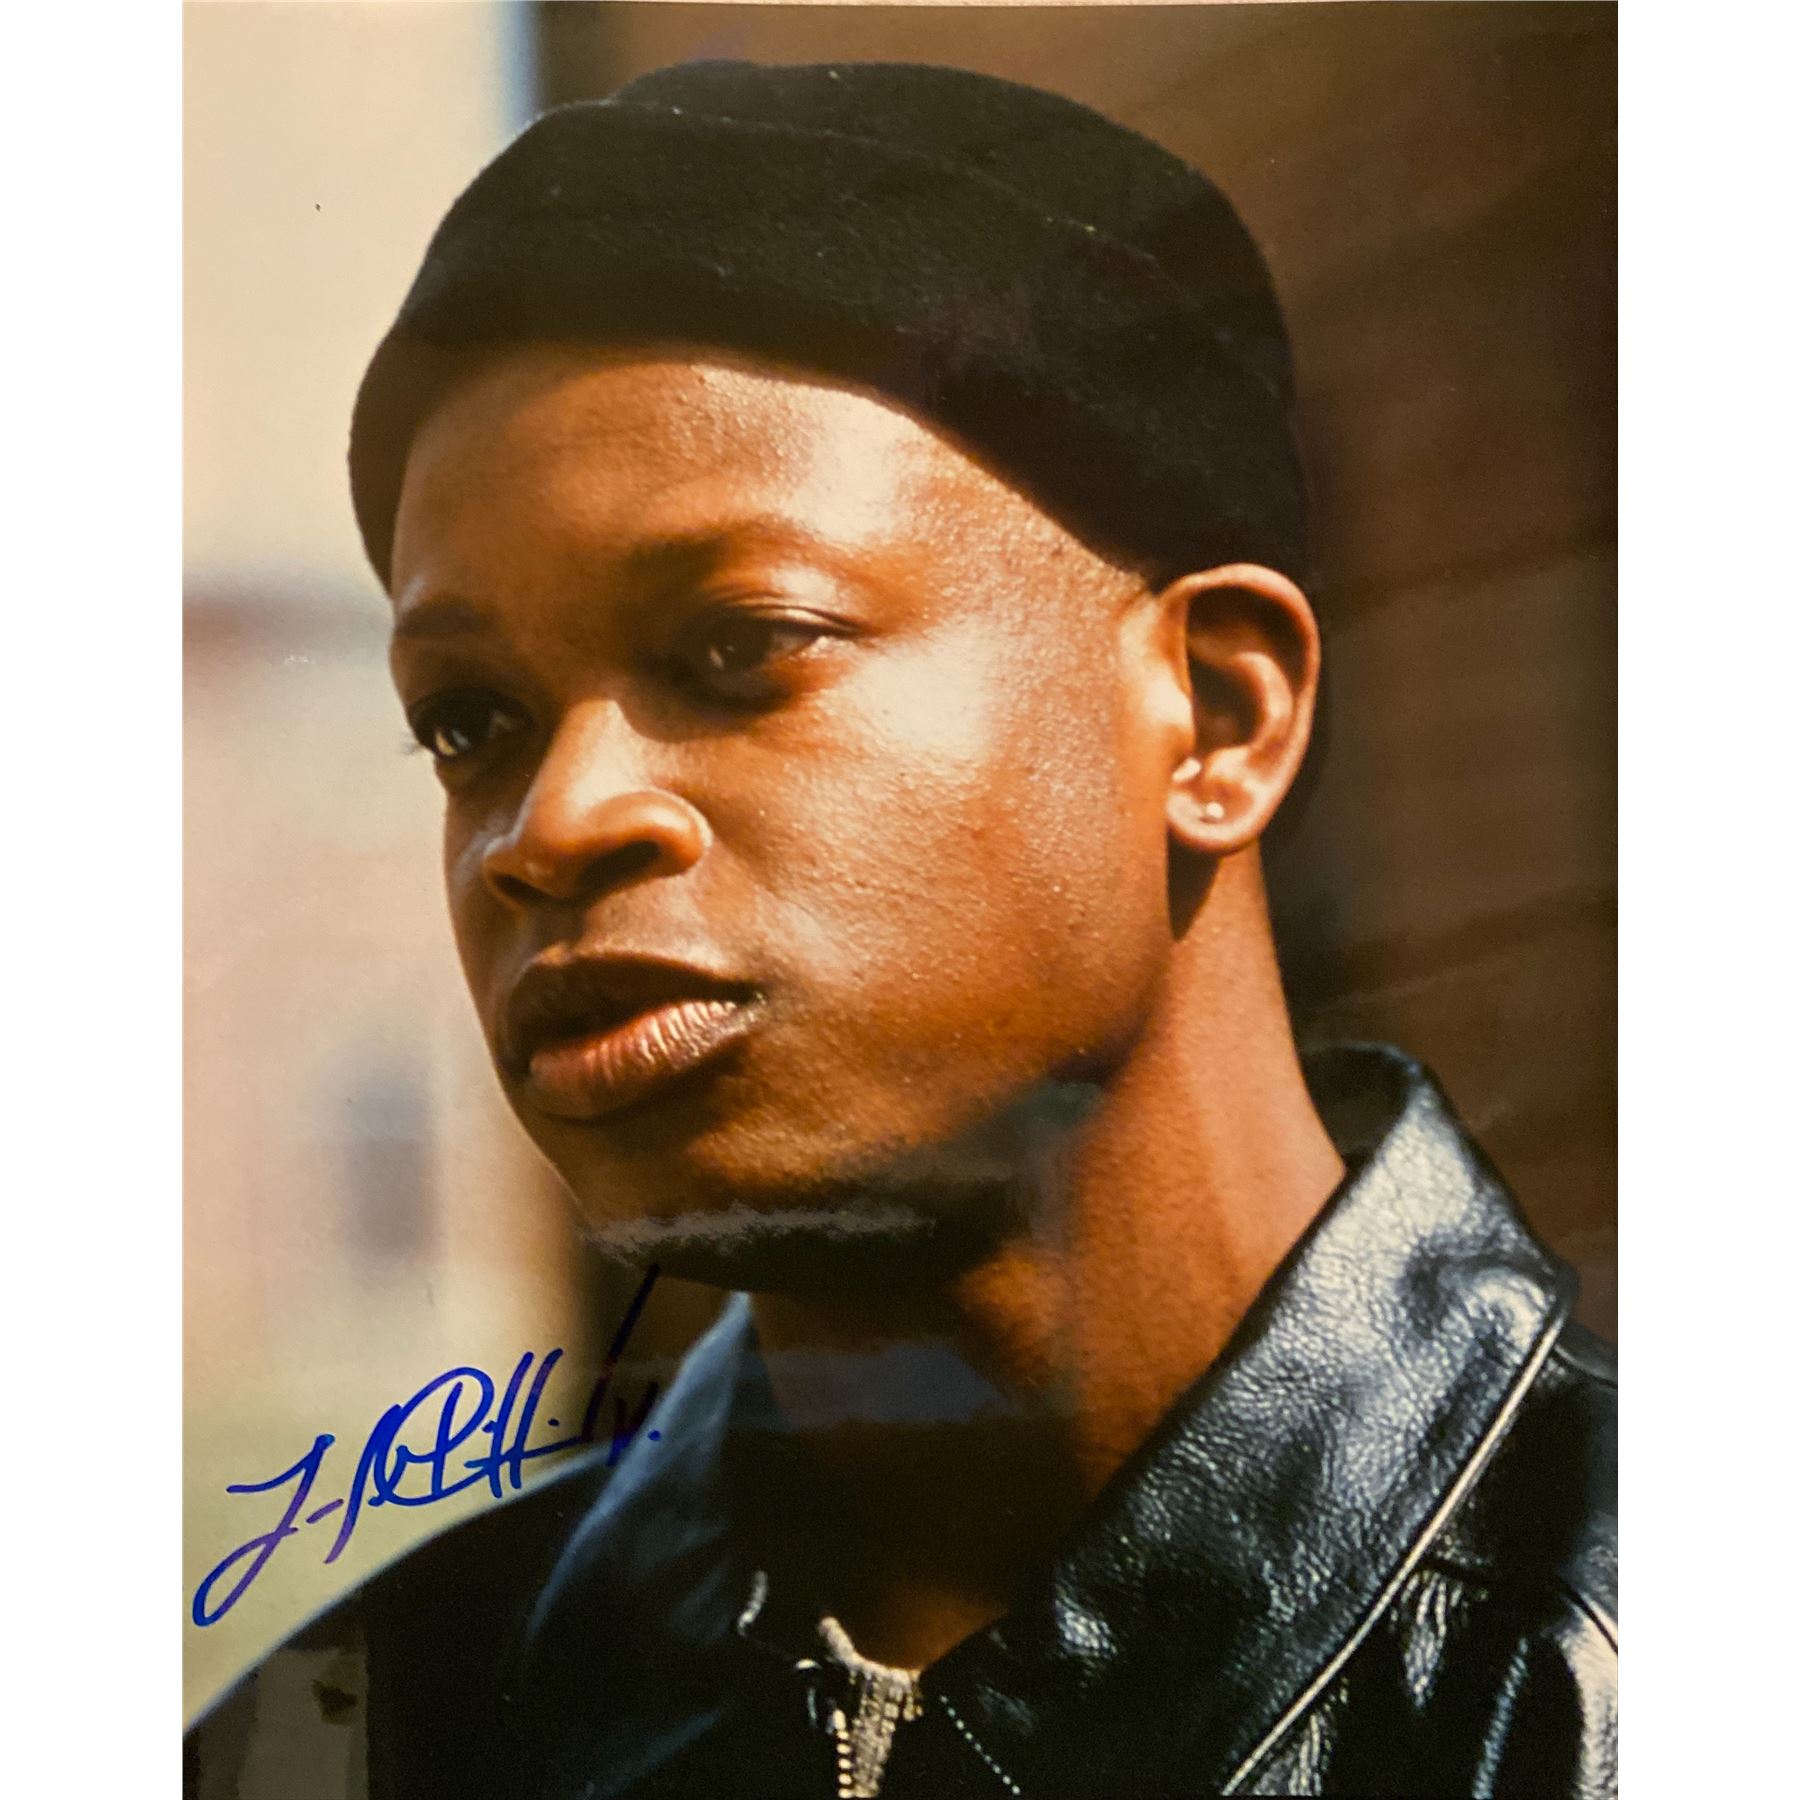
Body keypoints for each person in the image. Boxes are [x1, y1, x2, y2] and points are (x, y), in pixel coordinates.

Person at [189, 60, 1616, 1800]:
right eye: (469, 720)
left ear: (1219, 715)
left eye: (740, 645)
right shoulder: (334, 1748)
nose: (550, 824)